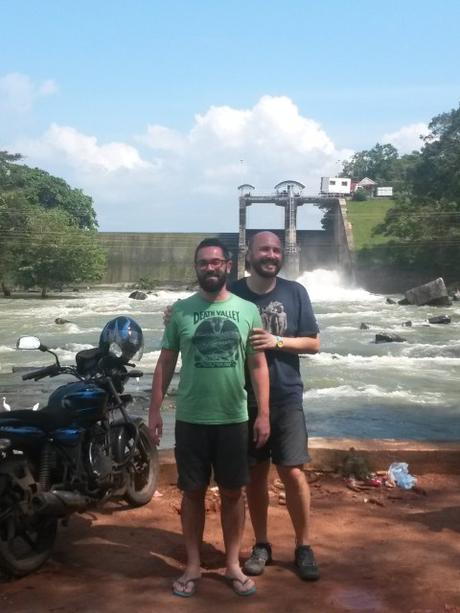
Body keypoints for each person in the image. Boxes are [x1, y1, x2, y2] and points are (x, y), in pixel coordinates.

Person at [148, 238, 270, 598]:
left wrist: (264, 413)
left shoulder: (248, 310)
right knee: (192, 493)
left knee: (234, 492)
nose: (210, 268)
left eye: (216, 262)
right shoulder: (182, 312)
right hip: (191, 418)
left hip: (233, 417)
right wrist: (154, 411)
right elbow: (166, 362)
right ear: (196, 268)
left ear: (228, 266)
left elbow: (258, 364)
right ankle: (192, 565)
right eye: (203, 263)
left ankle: (232, 564)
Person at [231, 231, 321, 581]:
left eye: (276, 250)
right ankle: (262, 544)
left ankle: (303, 545)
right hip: (242, 397)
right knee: (254, 474)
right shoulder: (234, 292)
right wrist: (172, 313)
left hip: (285, 395)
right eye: (264, 249)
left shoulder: (295, 292)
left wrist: (276, 340)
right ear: (249, 254)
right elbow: (205, 314)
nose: (271, 255)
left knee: (292, 471)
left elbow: (313, 344)